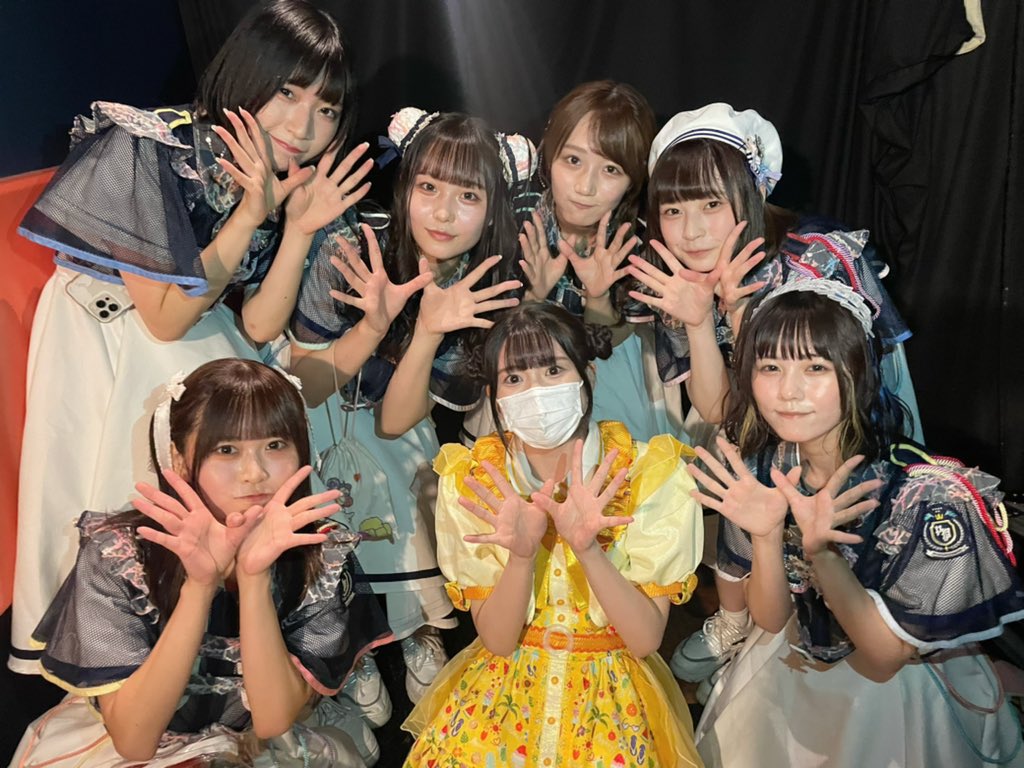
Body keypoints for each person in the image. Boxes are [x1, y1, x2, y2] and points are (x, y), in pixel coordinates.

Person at [11, 0, 372, 673]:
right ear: (247, 75)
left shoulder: (285, 176)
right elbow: (161, 317)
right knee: (118, 498)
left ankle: (222, 657)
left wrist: (296, 228)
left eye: (326, 108)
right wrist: (249, 216)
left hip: (197, 329)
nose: (303, 126)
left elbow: (260, 324)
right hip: (112, 336)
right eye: (288, 93)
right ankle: (108, 665)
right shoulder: (149, 146)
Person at [626, 103, 924, 687]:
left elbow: (866, 383)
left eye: (711, 204)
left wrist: (741, 313)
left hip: (850, 436)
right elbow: (722, 410)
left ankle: (854, 610)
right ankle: (739, 617)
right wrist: (699, 320)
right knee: (736, 465)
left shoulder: (816, 257)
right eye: (674, 210)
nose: (692, 231)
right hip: (764, 435)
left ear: (750, 192)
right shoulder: (680, 277)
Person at [688, 281, 1024, 767]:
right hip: (795, 660)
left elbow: (884, 659)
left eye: (815, 367)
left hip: (895, 695)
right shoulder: (765, 471)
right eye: (770, 367)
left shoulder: (927, 496)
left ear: (858, 373)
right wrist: (764, 536)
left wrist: (821, 555)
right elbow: (771, 620)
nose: (788, 391)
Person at [10, 359, 392, 768]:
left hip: (260, 737)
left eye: (275, 445)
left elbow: (273, 719)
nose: (255, 473)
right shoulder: (120, 552)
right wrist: (199, 585)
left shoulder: (321, 550)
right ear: (178, 458)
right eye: (226, 450)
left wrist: (254, 577)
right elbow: (135, 741)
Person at [287, 109, 527, 718]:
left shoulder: (487, 288)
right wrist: (373, 326)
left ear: (493, 210)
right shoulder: (350, 249)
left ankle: (414, 625)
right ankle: (352, 645)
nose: (442, 213)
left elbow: (396, 421)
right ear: (405, 188)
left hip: (394, 423)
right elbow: (305, 386)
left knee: (406, 469)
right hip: (318, 410)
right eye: (428, 187)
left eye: (467, 196)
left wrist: (425, 332)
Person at [402, 302, 704, 768]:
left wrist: (589, 551)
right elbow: (498, 640)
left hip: (609, 704)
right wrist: (521, 558)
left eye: (552, 370)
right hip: (503, 704)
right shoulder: (475, 482)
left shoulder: (649, 474)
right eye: (514, 378)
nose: (535, 391)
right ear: (494, 396)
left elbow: (644, 639)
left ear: (588, 377)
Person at [476, 80, 685, 445]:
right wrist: (534, 298)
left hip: (612, 381)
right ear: (549, 155)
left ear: (632, 180)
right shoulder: (513, 215)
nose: (585, 187)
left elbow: (611, 346)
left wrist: (598, 297)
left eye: (611, 170)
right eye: (573, 161)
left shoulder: (638, 241)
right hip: (520, 375)